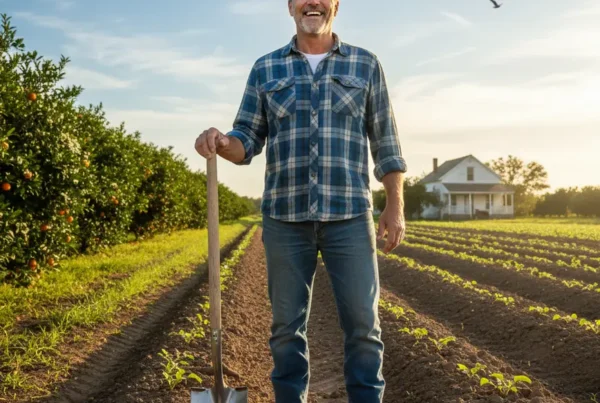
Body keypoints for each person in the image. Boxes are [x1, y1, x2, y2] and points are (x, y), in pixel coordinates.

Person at [195, 0, 407, 401]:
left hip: (348, 215)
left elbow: (387, 143)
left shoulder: (365, 65)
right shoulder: (266, 68)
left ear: (336, 5)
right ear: (290, 6)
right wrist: (222, 141)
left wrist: (394, 205)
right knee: (286, 330)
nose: (313, 2)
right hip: (285, 218)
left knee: (364, 328)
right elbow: (246, 139)